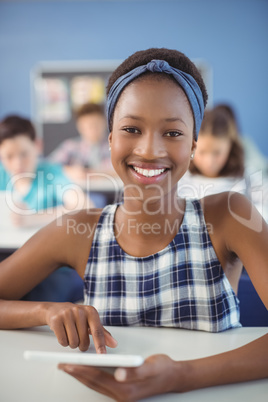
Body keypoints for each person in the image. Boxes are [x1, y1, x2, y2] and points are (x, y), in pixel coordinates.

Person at [0, 48, 267, 401]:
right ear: (110, 138)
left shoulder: (229, 215)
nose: (149, 149)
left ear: (193, 145)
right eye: (131, 128)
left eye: (172, 133)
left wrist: (180, 376)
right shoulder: (78, 230)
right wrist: (46, 311)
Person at [0, 114, 91, 227]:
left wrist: (33, 218)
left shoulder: (51, 173)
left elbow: (85, 206)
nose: (17, 163)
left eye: (24, 154)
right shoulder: (2, 174)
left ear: (37, 145)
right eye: (9, 156)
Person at [177, 105, 247, 199]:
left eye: (217, 153)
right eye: (202, 152)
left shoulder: (246, 178)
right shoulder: (180, 179)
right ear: (191, 145)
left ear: (230, 146)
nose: (209, 162)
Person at [48, 102, 115, 183]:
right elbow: (49, 167)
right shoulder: (71, 146)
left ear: (104, 123)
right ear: (80, 126)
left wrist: (98, 174)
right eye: (88, 125)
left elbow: (125, 170)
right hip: (77, 191)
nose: (93, 129)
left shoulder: (114, 146)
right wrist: (71, 172)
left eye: (96, 124)